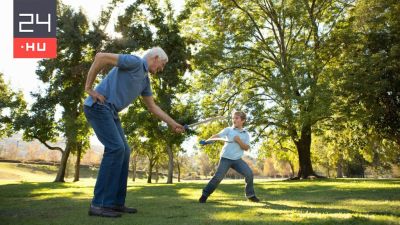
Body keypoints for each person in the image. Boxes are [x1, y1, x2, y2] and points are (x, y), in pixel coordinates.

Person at [84, 47, 185, 218]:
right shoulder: (134, 62)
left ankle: (116, 203)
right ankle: (99, 204)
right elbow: (101, 57)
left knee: (124, 151)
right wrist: (89, 88)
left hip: (111, 112)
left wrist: (173, 124)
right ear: (154, 58)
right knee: (116, 148)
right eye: (162, 64)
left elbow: (153, 107)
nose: (161, 69)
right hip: (98, 107)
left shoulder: (145, 81)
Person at [199, 111, 260, 203]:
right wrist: (207, 141)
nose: (234, 120)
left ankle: (250, 195)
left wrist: (239, 141)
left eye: (236, 118)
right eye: (233, 118)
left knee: (249, 174)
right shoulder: (228, 130)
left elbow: (246, 148)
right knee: (218, 177)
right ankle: (205, 195)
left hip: (237, 160)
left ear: (243, 120)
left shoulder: (245, 134)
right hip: (226, 158)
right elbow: (217, 136)